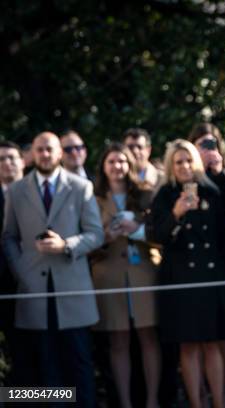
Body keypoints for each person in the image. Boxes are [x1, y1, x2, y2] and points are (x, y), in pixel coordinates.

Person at [2, 132, 104, 406]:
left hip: (73, 290)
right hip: (33, 291)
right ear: (32, 154)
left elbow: (96, 234)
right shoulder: (17, 190)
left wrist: (66, 245)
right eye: (39, 150)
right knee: (46, 368)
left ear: (59, 153)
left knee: (79, 364)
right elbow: (9, 236)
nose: (45, 155)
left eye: (50, 149)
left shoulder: (81, 186)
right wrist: (20, 269)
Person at [148, 139, 225, 408]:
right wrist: (176, 213)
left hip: (211, 276)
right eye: (178, 162)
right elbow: (157, 237)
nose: (184, 166)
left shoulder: (212, 191)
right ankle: (197, 403)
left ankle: (219, 402)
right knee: (188, 346)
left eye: (188, 161)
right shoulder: (163, 195)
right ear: (171, 166)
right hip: (181, 278)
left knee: (212, 343)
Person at [89, 143, 161, 408]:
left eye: (122, 161)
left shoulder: (145, 195)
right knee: (118, 342)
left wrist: (137, 228)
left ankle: (152, 400)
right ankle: (126, 402)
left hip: (143, 273)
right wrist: (105, 237)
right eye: (111, 162)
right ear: (103, 167)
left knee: (148, 339)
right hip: (109, 277)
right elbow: (86, 240)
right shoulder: (92, 198)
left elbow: (160, 234)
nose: (117, 166)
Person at [188, 123, 225, 408]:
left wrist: (219, 174)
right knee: (198, 334)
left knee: (224, 328)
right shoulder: (185, 176)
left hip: (224, 262)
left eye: (211, 144)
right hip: (195, 267)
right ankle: (202, 394)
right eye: (201, 145)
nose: (207, 150)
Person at [0, 141, 25, 385]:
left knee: (35, 353)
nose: (7, 163)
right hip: (3, 288)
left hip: (35, 285)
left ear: (23, 161)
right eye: (1, 159)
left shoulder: (38, 193)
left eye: (11, 157)